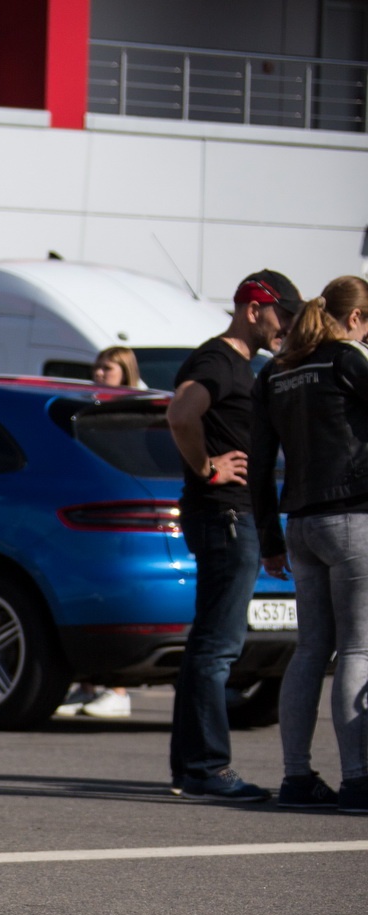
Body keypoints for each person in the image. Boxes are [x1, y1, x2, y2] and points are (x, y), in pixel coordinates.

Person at [165, 270, 303, 801]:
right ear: (253, 308)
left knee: (209, 644)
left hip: (228, 516)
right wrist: (207, 468)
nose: (285, 326)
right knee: (218, 647)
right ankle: (207, 767)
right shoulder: (219, 360)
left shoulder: (242, 364)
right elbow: (181, 413)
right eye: (282, 315)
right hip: (223, 515)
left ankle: (192, 767)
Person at [250, 275, 368, 814]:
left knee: (311, 648)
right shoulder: (347, 359)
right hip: (353, 516)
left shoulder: (276, 371)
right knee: (359, 650)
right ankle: (359, 780)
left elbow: (258, 464)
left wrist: (268, 537)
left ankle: (296, 776)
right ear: (356, 317)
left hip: (300, 524)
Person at [57, 346, 147, 719]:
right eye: (96, 368)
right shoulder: (90, 408)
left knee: (117, 600)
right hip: (93, 508)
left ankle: (117, 689)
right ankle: (87, 686)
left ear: (124, 371)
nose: (98, 374)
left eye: (107, 368)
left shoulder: (134, 411)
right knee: (86, 597)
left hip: (121, 515)